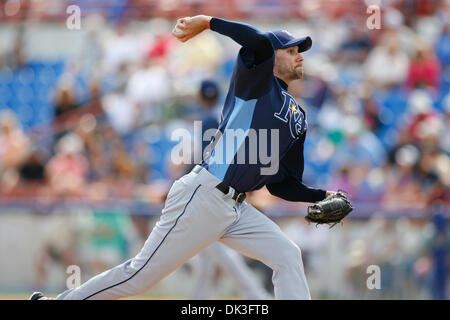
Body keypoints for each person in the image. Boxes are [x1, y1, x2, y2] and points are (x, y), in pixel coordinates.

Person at [30, 15, 336, 300]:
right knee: (140, 276)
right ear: (273, 57)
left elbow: (283, 184)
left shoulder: (298, 117)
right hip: (203, 195)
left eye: (300, 50)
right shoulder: (256, 83)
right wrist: (208, 22)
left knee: (287, 254)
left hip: (236, 208)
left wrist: (322, 195)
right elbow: (257, 42)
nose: (299, 55)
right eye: (291, 49)